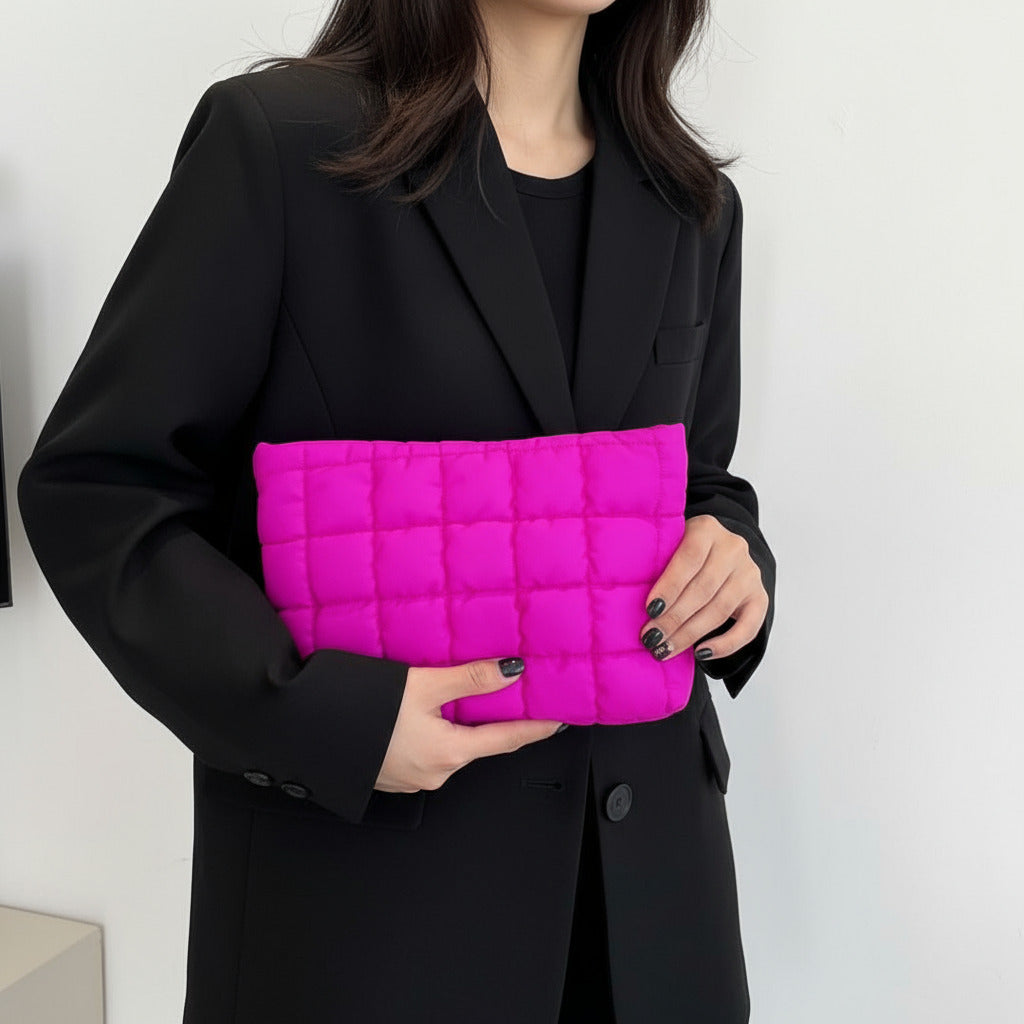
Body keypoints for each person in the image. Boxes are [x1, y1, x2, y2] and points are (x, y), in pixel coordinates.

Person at [17, 1, 776, 1021]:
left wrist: (736, 556)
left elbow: (699, 480)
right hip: (370, 915)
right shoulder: (282, 145)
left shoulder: (692, 202)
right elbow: (101, 488)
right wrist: (321, 712)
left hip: (653, 907)